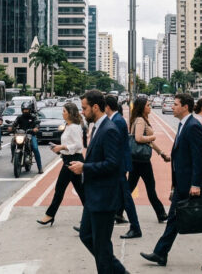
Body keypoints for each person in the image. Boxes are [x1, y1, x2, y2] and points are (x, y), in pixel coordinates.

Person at [141, 93, 202, 271]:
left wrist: (196, 184)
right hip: (183, 182)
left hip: (191, 184)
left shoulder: (193, 126)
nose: (172, 106)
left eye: (175, 104)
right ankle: (160, 252)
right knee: (174, 218)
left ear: (185, 107)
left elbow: (199, 157)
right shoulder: (184, 125)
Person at [68, 90, 127, 274]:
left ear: (95, 107)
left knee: (101, 247)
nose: (82, 113)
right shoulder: (97, 127)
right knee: (86, 236)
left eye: (84, 108)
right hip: (94, 196)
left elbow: (112, 164)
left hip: (104, 197)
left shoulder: (109, 130)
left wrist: (84, 167)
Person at [38, 102, 86, 225]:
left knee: (60, 188)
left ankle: (50, 215)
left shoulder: (74, 127)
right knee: (80, 190)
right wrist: (59, 148)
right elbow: (71, 145)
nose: (62, 113)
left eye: (64, 111)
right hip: (69, 159)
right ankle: (92, 214)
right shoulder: (68, 126)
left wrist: (62, 147)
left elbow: (78, 145)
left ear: (70, 113)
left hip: (73, 160)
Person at [127, 96, 170, 223]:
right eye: (147, 105)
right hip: (141, 161)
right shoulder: (140, 120)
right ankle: (161, 214)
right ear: (142, 107)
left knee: (129, 189)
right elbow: (139, 138)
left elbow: (147, 141)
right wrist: (153, 137)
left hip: (138, 160)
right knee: (150, 188)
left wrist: (161, 153)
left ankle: (117, 212)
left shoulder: (141, 119)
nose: (149, 107)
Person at [105, 95, 141, 239]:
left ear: (107, 106)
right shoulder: (115, 119)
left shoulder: (118, 121)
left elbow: (117, 145)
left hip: (118, 165)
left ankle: (135, 227)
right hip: (118, 164)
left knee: (126, 197)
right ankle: (89, 223)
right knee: (119, 196)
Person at [11, 101, 43, 173]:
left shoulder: (33, 117)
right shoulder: (19, 117)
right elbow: (15, 123)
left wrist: (36, 128)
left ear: (29, 109)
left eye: (27, 109)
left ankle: (40, 167)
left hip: (31, 135)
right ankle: (13, 156)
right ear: (22, 110)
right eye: (24, 109)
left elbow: (37, 123)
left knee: (35, 148)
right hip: (21, 135)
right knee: (13, 143)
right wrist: (12, 127)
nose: (25, 111)